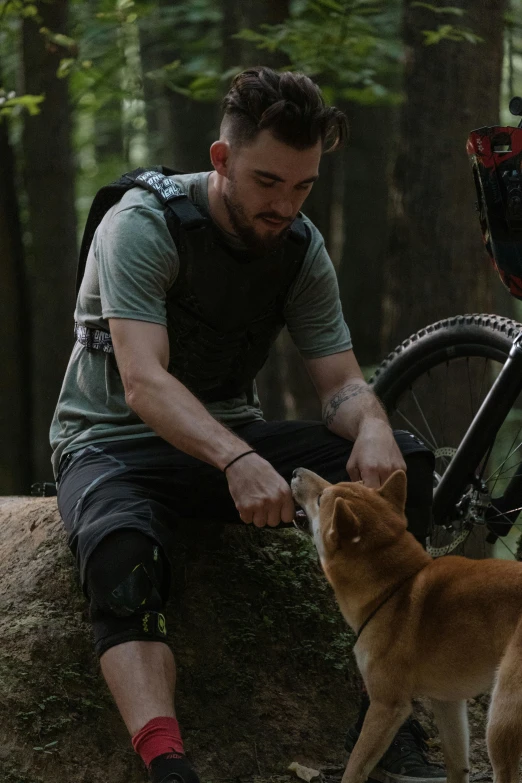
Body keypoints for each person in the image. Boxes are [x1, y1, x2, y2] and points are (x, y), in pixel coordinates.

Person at [51, 67, 445, 783]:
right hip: (111, 445)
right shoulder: (141, 226)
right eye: (268, 183)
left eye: (302, 187)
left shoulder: (299, 246)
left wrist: (373, 427)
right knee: (122, 558)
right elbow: (143, 382)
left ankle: (385, 727)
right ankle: (168, 763)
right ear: (221, 159)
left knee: (406, 466)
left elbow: (341, 381)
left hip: (229, 440)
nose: (284, 206)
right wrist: (236, 460)